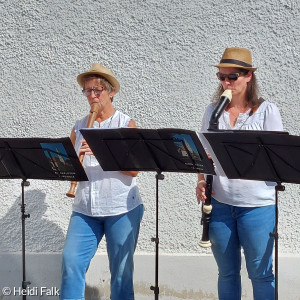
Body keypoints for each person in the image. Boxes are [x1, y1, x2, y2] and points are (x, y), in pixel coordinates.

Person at [196, 47, 283, 300]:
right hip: (220, 205)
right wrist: (201, 181)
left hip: (257, 207)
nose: (226, 82)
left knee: (261, 274)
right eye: (221, 77)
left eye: (232, 77)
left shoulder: (267, 111)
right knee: (227, 274)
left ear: (248, 77)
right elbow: (204, 156)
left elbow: (275, 159)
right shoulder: (213, 112)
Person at [60, 63, 144, 300]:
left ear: (111, 92)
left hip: (121, 208)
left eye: (98, 90)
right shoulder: (79, 126)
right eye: (88, 91)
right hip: (85, 208)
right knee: (70, 263)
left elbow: (134, 171)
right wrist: (65, 164)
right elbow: (68, 165)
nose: (92, 96)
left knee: (120, 274)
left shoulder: (125, 124)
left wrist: (101, 150)